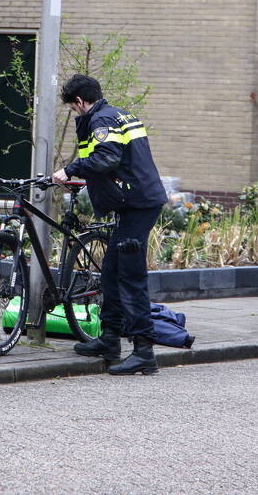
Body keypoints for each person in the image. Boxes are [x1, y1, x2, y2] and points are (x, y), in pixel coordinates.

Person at [52, 74, 168, 375]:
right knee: (112, 272)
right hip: (137, 201)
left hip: (138, 204)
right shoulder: (118, 114)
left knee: (129, 276)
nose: (76, 114)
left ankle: (144, 353)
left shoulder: (101, 121)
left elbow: (106, 158)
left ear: (80, 101)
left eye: (74, 109)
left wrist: (69, 170)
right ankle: (109, 340)